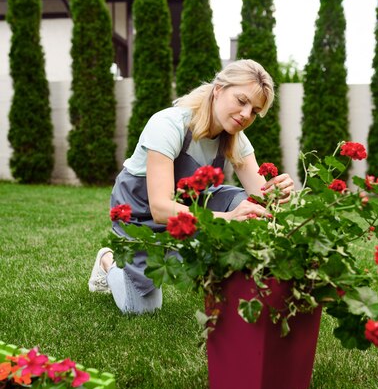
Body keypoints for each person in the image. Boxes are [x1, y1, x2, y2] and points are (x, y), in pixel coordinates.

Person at [88, 59, 294, 314]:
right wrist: (227, 218)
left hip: (188, 206)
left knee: (249, 208)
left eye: (254, 111)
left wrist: (276, 192)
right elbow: (161, 208)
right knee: (140, 309)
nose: (245, 114)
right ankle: (108, 261)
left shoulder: (235, 138)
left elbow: (260, 202)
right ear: (218, 89)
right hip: (141, 213)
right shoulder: (168, 124)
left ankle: (234, 282)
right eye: (241, 101)